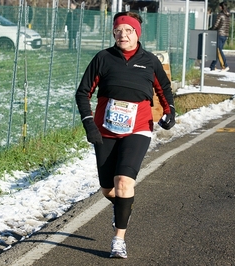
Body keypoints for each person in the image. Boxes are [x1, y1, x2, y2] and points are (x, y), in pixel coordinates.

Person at [75, 11, 175, 259]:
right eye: (118, 30)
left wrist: (170, 111)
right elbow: (82, 93)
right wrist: (89, 124)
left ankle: (118, 240)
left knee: (123, 181)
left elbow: (164, 90)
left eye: (128, 30)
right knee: (108, 189)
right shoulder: (103, 58)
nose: (123, 34)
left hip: (138, 127)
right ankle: (122, 205)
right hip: (105, 130)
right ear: (113, 33)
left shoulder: (150, 61)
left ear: (137, 34)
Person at [209, 2, 230, 72]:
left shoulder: (220, 15)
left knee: (218, 50)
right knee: (218, 51)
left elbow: (216, 25)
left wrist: (211, 29)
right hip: (225, 35)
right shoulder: (228, 15)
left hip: (220, 34)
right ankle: (212, 66)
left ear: (221, 7)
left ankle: (225, 65)